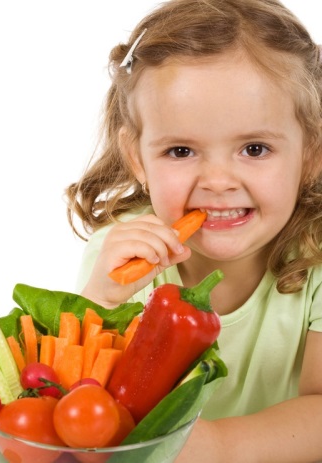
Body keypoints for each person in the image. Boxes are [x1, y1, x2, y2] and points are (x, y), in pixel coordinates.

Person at [65, 0, 322, 461]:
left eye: (255, 148)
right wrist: (100, 300)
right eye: (181, 151)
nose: (218, 181)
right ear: (138, 159)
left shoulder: (319, 257)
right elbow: (75, 402)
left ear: (310, 155)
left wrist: (219, 447)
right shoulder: (122, 254)